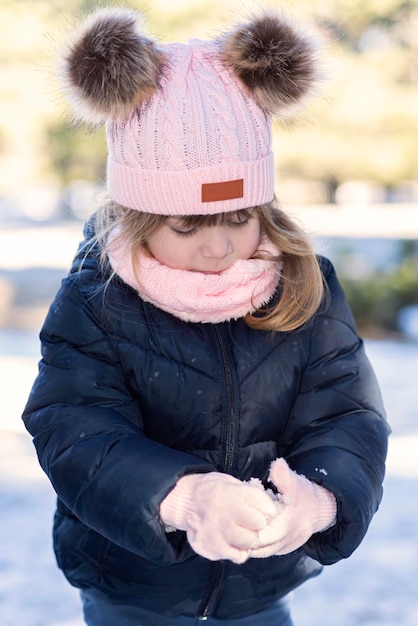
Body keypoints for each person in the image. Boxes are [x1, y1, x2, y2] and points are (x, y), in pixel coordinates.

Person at [22, 7, 389, 626]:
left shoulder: (302, 286)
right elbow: (75, 428)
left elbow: (346, 411)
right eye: (187, 225)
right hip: (131, 585)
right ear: (138, 215)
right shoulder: (98, 298)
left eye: (240, 218)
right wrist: (181, 497)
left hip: (258, 588)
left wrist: (321, 497)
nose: (218, 248)